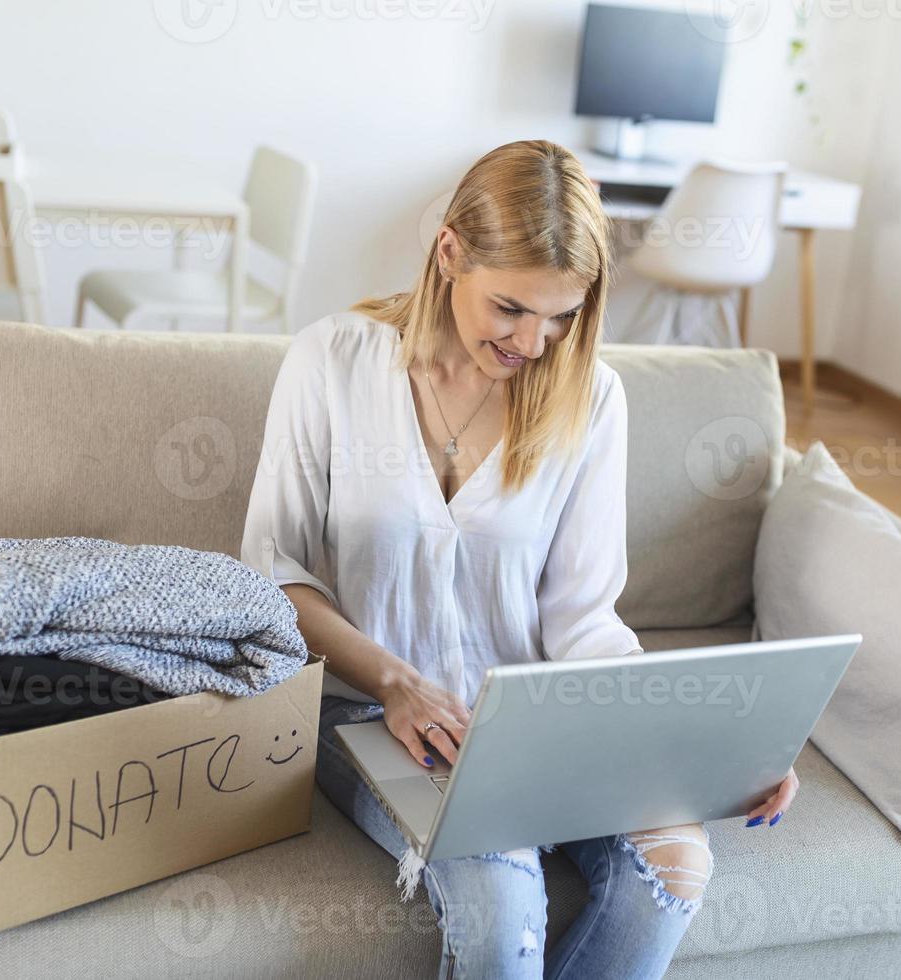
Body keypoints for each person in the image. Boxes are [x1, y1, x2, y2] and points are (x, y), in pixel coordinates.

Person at [242, 139, 798, 978]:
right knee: (504, 906)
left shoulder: (590, 396)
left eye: (562, 316)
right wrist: (398, 682)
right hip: (362, 713)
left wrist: (703, 752)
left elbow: (581, 615)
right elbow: (273, 576)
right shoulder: (332, 361)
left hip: (533, 722)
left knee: (678, 865)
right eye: (511, 308)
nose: (536, 343)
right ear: (450, 250)